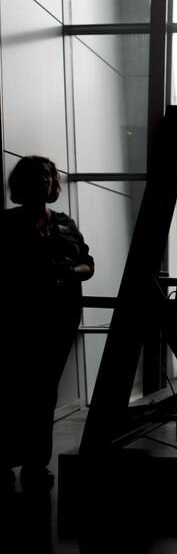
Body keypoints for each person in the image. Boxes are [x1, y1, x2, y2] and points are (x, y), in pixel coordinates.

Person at [0, 155, 94, 495]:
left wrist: (69, 272)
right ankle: (7, 459)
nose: (43, 179)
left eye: (47, 174)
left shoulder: (66, 223)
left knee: (43, 391)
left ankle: (35, 463)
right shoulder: (6, 224)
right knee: (15, 390)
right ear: (21, 183)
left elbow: (88, 263)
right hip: (19, 321)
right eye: (35, 174)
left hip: (60, 319)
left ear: (53, 181)